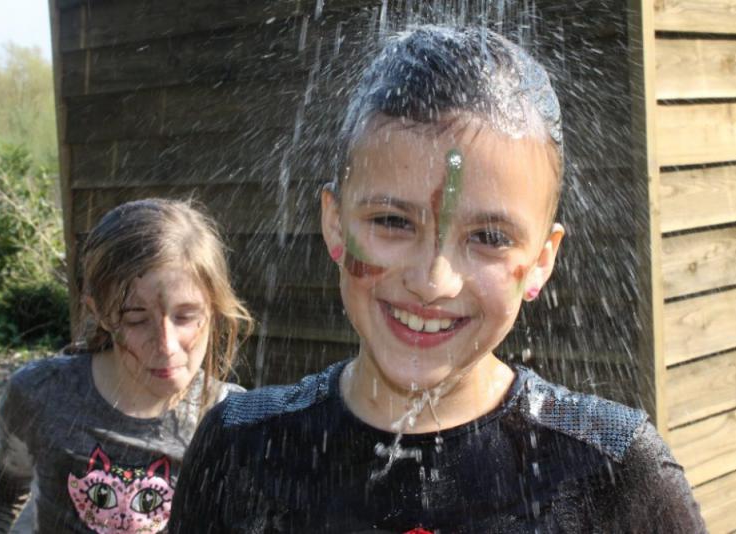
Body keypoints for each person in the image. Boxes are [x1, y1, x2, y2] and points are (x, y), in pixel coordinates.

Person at [169, 27, 705, 533]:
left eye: (489, 237)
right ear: (335, 224)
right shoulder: (238, 449)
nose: (433, 281)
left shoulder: (613, 472)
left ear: (542, 260)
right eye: (393, 222)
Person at [0, 198, 253, 533]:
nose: (166, 346)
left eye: (186, 317)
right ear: (98, 310)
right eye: (137, 319)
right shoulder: (40, 395)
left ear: (214, 307)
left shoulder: (232, 420)